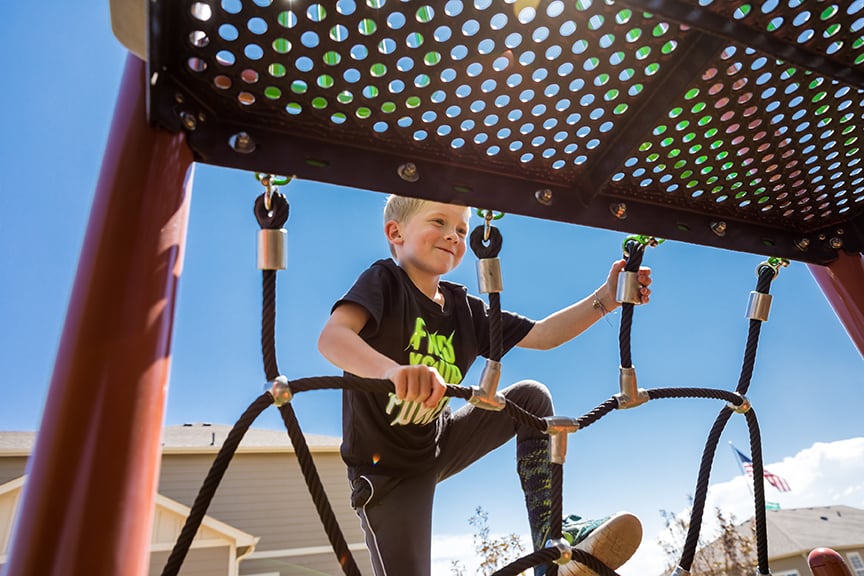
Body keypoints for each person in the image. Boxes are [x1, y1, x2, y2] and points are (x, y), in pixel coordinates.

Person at [318, 195, 652, 576]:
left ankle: (550, 538)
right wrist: (392, 372)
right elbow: (333, 337)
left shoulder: (466, 310)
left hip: (437, 443)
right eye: (439, 222)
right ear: (396, 232)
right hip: (386, 473)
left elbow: (543, 334)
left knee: (531, 398)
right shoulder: (384, 282)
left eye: (461, 229)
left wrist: (606, 298)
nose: (453, 236)